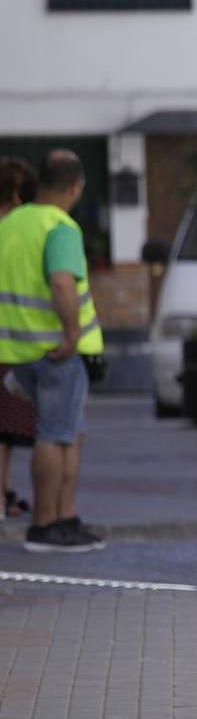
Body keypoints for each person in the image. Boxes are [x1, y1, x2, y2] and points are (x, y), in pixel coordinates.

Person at [0, 150, 106, 553]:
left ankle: (65, 518)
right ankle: (47, 524)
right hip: (56, 350)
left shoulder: (12, 223)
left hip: (18, 349)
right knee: (58, 435)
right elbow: (62, 284)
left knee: (66, 431)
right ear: (76, 186)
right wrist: (72, 332)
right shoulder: (59, 227)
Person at [0, 157, 38, 520]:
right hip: (10, 343)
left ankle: (5, 489)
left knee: (6, 429)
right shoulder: (15, 231)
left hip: (9, 342)